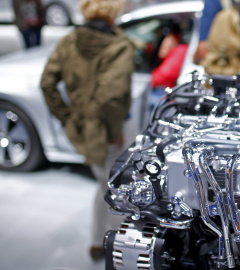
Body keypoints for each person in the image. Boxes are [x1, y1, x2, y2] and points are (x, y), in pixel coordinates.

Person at [40, 0, 134, 260]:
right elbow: (111, 99)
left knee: (103, 185)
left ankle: (97, 241)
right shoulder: (118, 46)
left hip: (85, 128)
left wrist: (69, 118)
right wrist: (115, 131)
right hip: (112, 130)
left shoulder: (70, 40)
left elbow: (47, 82)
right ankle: (115, 249)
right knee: (117, 190)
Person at [150, 24, 188, 106]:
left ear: (176, 38)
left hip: (169, 97)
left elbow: (164, 74)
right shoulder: (169, 54)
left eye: (165, 40)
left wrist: (148, 80)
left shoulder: (180, 50)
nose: (162, 44)